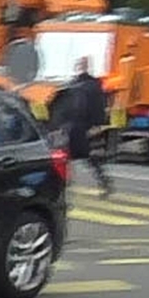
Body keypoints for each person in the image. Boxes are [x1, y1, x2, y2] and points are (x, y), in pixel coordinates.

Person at [52, 57, 115, 195]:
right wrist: (98, 124)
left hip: (73, 127)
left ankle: (63, 186)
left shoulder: (74, 85)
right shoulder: (94, 85)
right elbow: (100, 106)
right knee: (87, 156)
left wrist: (57, 125)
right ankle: (104, 183)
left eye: (80, 65)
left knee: (66, 156)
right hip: (83, 127)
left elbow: (63, 107)